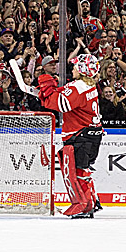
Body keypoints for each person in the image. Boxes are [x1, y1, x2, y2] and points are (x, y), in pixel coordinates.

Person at [37, 54, 104, 218]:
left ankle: (83, 205)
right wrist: (49, 92)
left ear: (81, 70)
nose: (72, 69)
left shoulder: (78, 87)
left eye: (75, 66)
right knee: (83, 169)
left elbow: (61, 104)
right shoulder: (89, 86)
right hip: (92, 134)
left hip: (80, 135)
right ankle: (91, 201)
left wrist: (47, 87)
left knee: (76, 171)